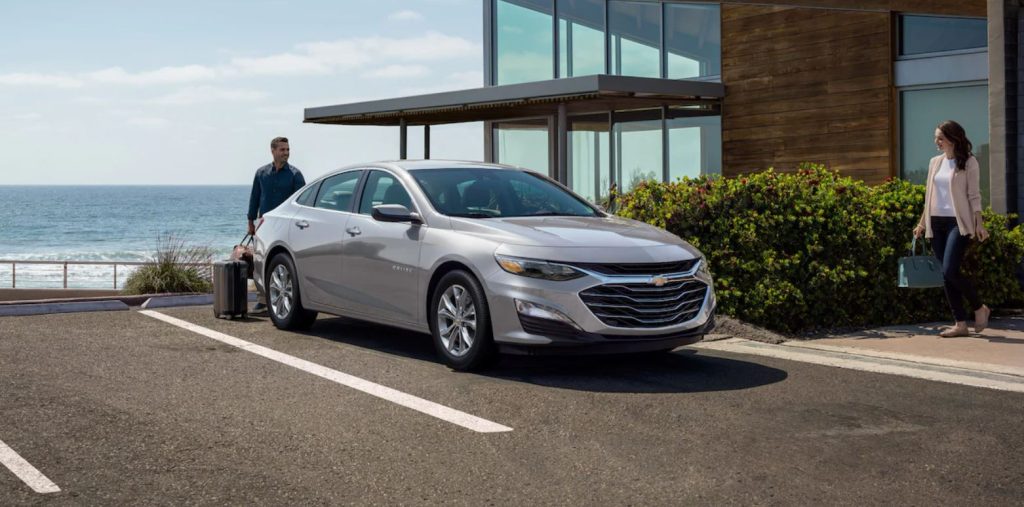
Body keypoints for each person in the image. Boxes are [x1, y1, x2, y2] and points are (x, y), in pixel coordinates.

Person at [913, 120, 990, 337]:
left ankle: (979, 308)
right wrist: (921, 223)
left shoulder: (969, 162)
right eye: (936, 137)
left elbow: (974, 196)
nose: (936, 142)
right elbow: (929, 196)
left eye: (940, 138)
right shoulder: (934, 162)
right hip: (936, 222)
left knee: (949, 270)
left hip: (958, 223)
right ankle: (960, 324)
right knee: (947, 275)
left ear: (953, 139)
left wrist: (979, 223)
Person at [247, 136, 306, 313]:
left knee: (281, 262)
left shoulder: (295, 175)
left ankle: (285, 298)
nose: (286, 153)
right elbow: (255, 198)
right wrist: (250, 221)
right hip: (264, 225)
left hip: (285, 226)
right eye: (282, 150)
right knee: (260, 262)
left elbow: (302, 204)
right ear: (272, 151)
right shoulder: (261, 173)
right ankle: (263, 300)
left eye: (288, 150)